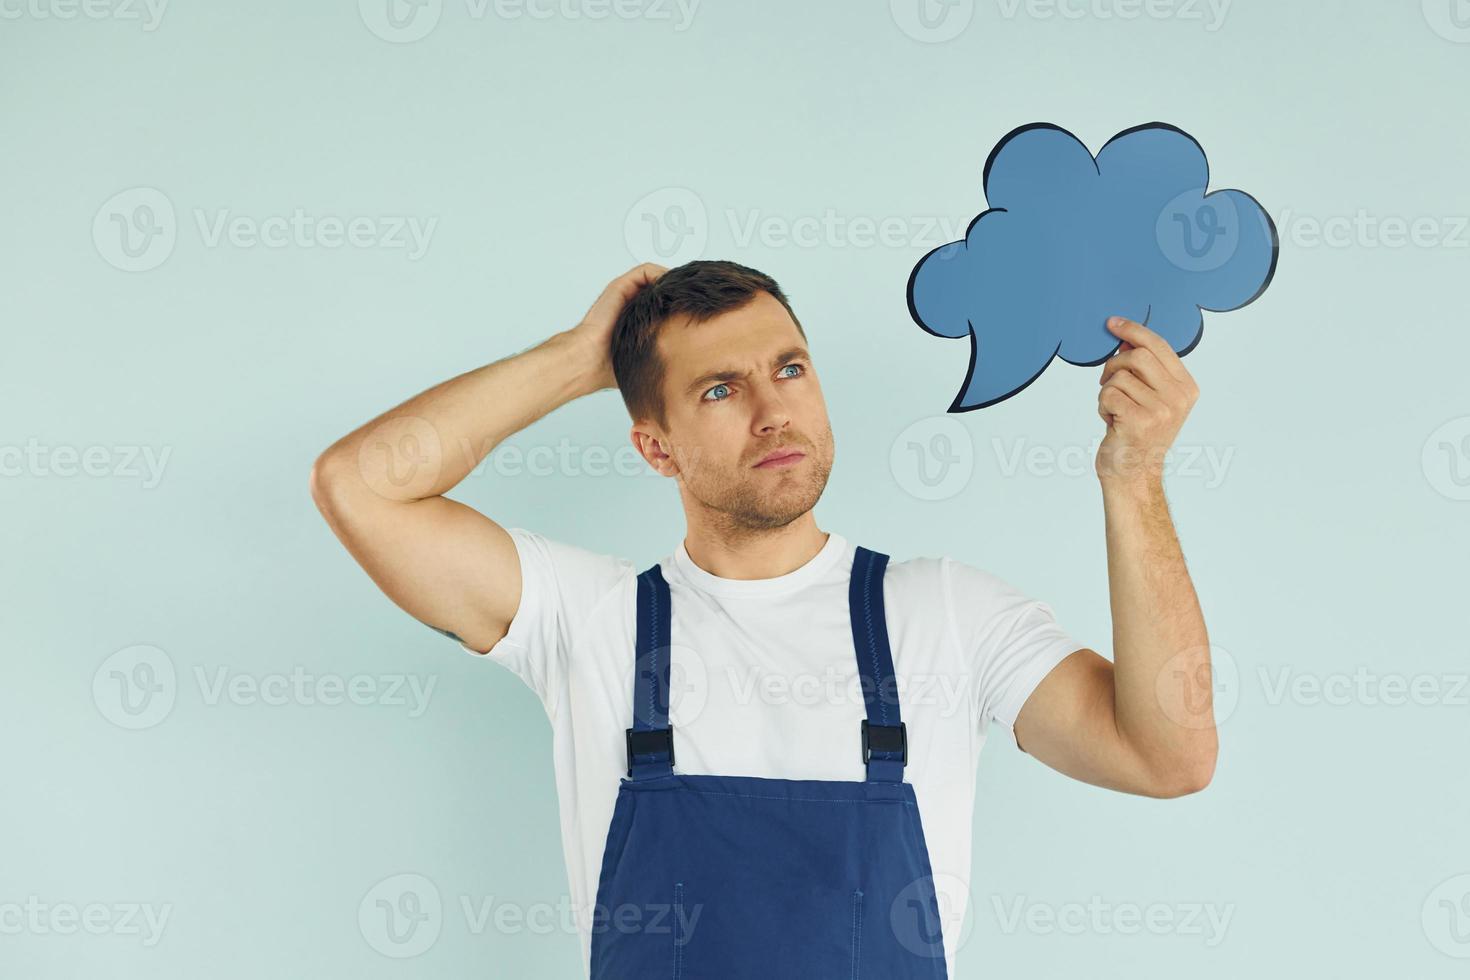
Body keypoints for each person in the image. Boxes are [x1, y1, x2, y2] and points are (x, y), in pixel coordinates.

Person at [309, 260, 1218, 978]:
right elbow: (360, 485)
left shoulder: (943, 610)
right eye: (720, 389)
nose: (774, 410)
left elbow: (1166, 755)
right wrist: (581, 357)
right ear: (653, 446)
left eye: (789, 369)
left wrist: (1133, 476)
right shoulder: (593, 621)